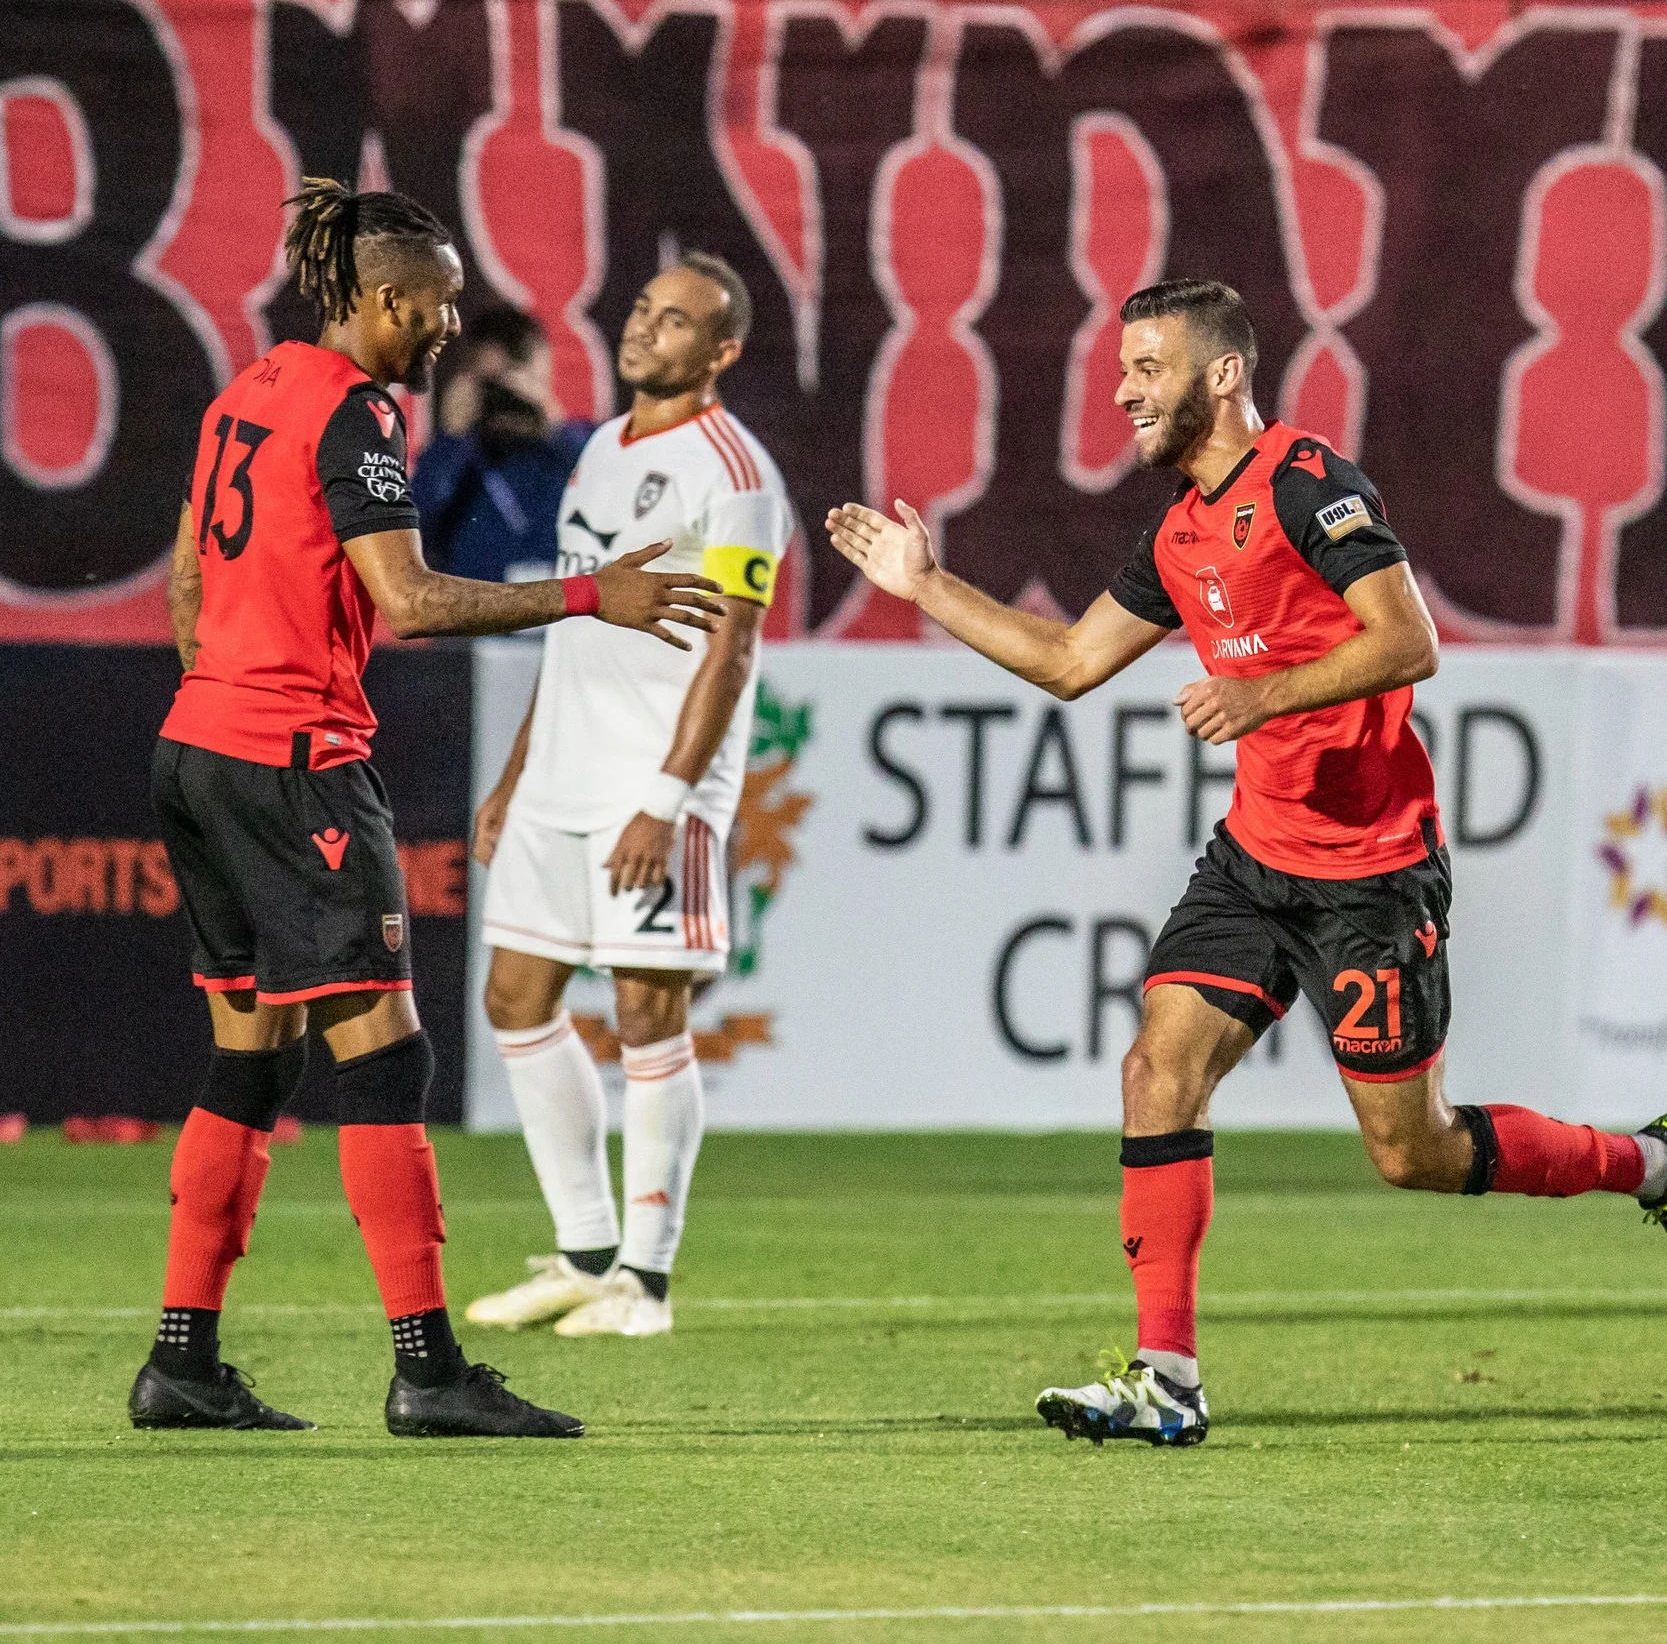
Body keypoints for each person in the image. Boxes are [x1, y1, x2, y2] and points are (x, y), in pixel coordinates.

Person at [827, 278, 1667, 1448]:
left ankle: (1644, 1164)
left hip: (1371, 873)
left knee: (1409, 1150)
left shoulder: (1308, 483)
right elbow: (1070, 662)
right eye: (1118, 370)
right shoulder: (1175, 529)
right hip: (1253, 864)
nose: (1122, 391)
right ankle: (1164, 1375)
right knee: (1155, 1068)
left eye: (1146, 368)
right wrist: (925, 586)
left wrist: (1258, 690)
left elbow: (1406, 638)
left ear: (1220, 374)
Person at [132, 178, 723, 1438]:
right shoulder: (356, 410)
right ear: (385, 297)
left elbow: (189, 569)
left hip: (199, 745)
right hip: (295, 761)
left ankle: (180, 1357)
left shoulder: (244, 391)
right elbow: (405, 601)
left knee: (252, 1058)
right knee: (385, 1056)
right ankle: (427, 1368)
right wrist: (584, 598)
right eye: (439, 305)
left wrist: (226, 691)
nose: (449, 327)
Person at [467, 253, 791, 1339]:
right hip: (559, 774)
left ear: (722, 351)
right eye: (642, 312)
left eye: (674, 321)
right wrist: (515, 771)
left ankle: (643, 1282)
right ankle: (582, 1251)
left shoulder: (735, 473)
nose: (644, 330)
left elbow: (733, 648)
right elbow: (573, 624)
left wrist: (667, 795)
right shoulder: (599, 448)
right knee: (515, 996)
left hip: (653, 784)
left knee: (648, 1013)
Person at [411, 306, 593, 584]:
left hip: (560, 614)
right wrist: (452, 437)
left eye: (515, 381)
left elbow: (609, 494)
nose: (506, 398)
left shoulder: (578, 443)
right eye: (493, 386)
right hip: (477, 617)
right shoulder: (456, 458)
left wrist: (553, 427)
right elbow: (418, 526)